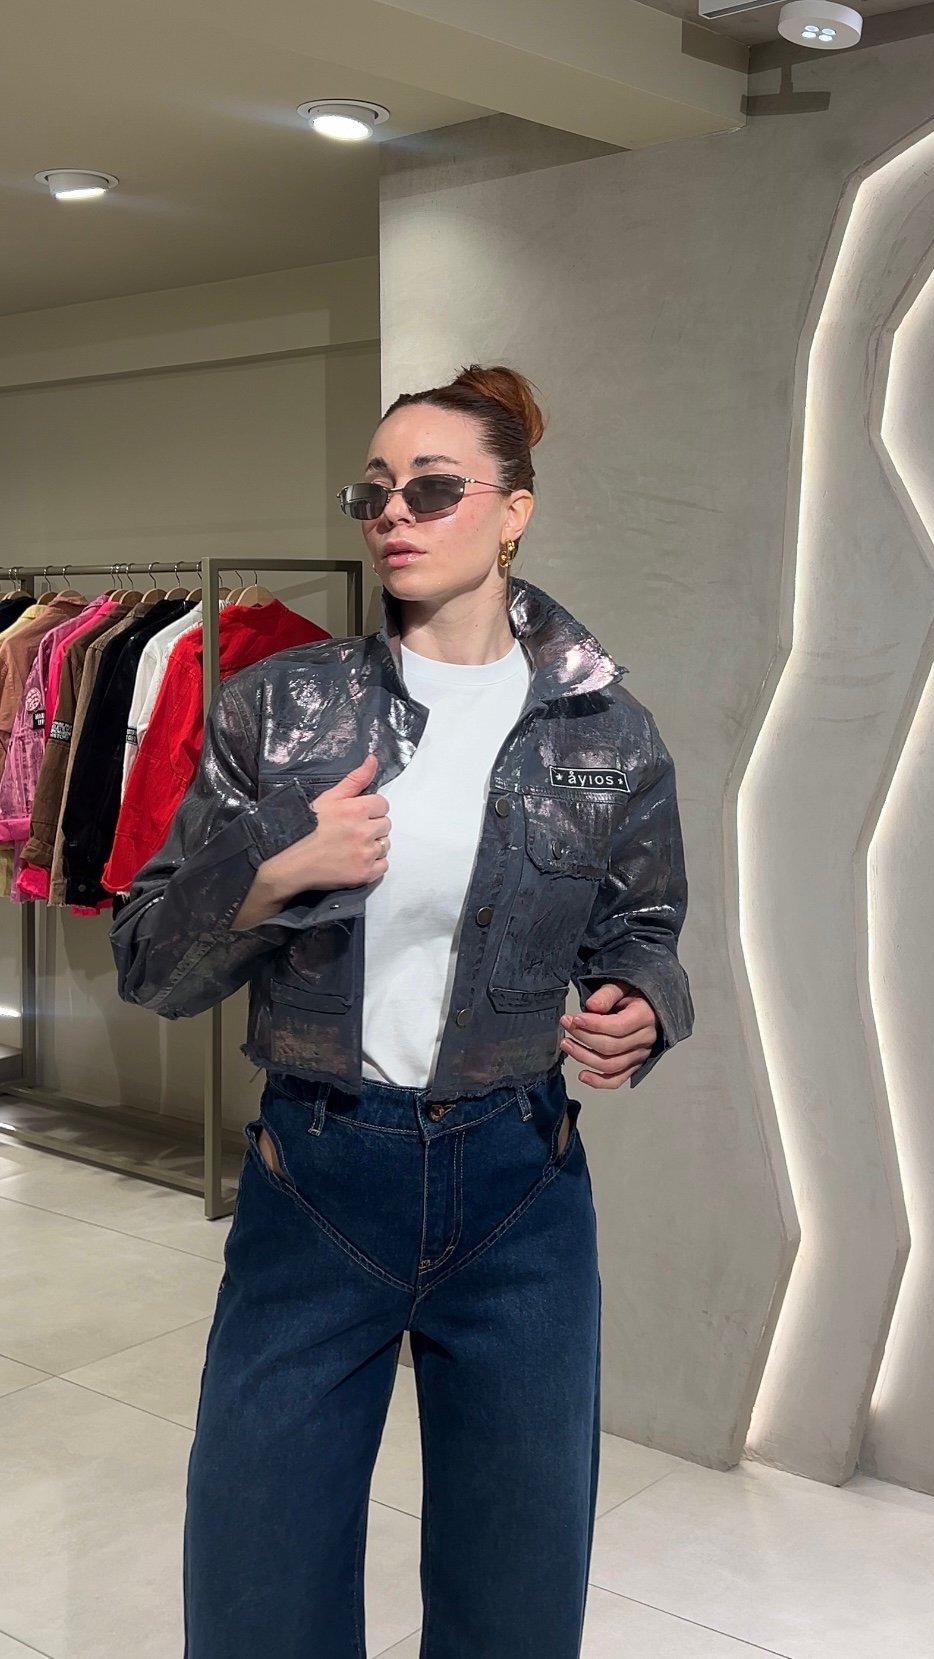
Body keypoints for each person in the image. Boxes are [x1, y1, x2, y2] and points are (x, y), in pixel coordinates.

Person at [111, 363, 694, 1659]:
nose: (393, 514)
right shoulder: (282, 707)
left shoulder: (605, 729)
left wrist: (640, 1004)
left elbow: (644, 928)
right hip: (315, 1176)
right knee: (259, 1582)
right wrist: (272, 871)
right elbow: (150, 960)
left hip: (520, 1188)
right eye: (373, 492)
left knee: (515, 1590)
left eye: (432, 489)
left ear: (513, 511)